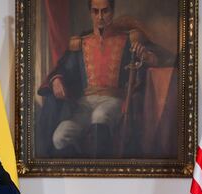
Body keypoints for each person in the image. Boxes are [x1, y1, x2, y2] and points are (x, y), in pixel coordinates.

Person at [37, 0, 170, 158]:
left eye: (105, 11)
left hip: (113, 101)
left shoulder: (130, 39)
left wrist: (147, 56)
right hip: (84, 105)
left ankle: (101, 169)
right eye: (95, 11)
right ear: (90, 13)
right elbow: (63, 68)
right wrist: (56, 80)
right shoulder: (80, 42)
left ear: (112, 12)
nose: (100, 16)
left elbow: (163, 57)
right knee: (59, 136)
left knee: (100, 116)